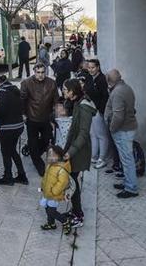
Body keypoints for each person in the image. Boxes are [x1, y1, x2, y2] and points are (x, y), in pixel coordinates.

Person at [60, 78, 96, 228]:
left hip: (79, 151)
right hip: (73, 149)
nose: (63, 92)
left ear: (72, 91)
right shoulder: (76, 102)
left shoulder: (84, 107)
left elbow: (83, 134)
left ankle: (78, 215)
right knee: (72, 181)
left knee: (73, 183)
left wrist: (71, 152)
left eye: (65, 90)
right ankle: (75, 211)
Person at [20, 63, 60, 176]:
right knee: (33, 143)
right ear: (34, 72)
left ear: (46, 72)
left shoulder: (52, 83)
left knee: (46, 139)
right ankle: (39, 165)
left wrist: (55, 117)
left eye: (43, 72)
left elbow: (56, 101)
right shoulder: (26, 83)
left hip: (46, 118)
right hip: (31, 118)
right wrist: (23, 114)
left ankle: (32, 150)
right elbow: (22, 100)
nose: (40, 75)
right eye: (38, 72)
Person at [105, 69, 139, 198]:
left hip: (122, 130)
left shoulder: (118, 93)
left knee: (126, 159)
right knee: (126, 159)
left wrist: (112, 128)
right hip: (127, 128)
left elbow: (118, 116)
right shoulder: (126, 88)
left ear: (109, 81)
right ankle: (127, 182)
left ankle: (131, 188)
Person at [0, 75, 28, 186]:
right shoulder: (14, 90)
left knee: (6, 152)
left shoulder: (2, 93)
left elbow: (0, 112)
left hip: (8, 128)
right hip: (18, 126)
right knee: (12, 150)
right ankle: (22, 176)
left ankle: (8, 177)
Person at [84, 59, 111, 170]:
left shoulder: (102, 79)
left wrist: (99, 110)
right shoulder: (89, 77)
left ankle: (102, 158)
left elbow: (105, 97)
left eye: (93, 67)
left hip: (99, 111)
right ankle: (94, 156)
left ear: (98, 67)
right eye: (89, 67)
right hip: (90, 110)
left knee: (101, 135)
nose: (90, 70)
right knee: (93, 134)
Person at [39, 145, 72, 231]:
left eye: (54, 155)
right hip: (47, 193)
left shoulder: (62, 169)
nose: (51, 157)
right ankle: (51, 223)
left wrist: (54, 191)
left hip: (54, 195)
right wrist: (43, 186)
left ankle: (65, 221)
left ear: (59, 156)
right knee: (47, 209)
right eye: (49, 155)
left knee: (51, 211)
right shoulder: (50, 165)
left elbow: (62, 183)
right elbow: (45, 177)